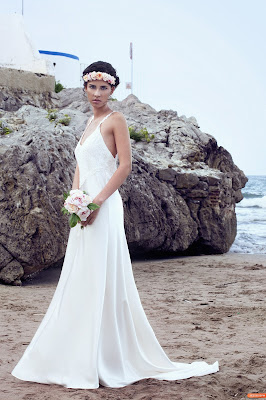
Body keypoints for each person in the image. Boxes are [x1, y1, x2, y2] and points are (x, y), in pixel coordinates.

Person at [11, 61, 219, 389]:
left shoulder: (115, 120)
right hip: (83, 210)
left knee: (101, 276)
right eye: (91, 87)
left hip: (105, 207)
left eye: (103, 88)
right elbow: (81, 165)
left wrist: (97, 202)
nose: (96, 93)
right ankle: (76, 353)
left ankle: (102, 357)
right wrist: (76, 200)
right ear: (84, 88)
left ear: (112, 89)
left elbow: (124, 167)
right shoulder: (90, 123)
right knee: (80, 278)